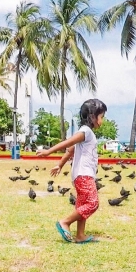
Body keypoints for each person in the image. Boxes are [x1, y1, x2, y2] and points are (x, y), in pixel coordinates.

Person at [37, 98, 107, 244]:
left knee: (82, 205)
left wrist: (60, 165)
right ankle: (65, 222)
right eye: (102, 117)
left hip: (80, 175)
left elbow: (70, 151)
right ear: (92, 116)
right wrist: (49, 151)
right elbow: (68, 143)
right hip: (84, 174)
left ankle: (80, 235)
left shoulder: (87, 134)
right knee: (93, 203)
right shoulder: (85, 131)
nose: (102, 121)